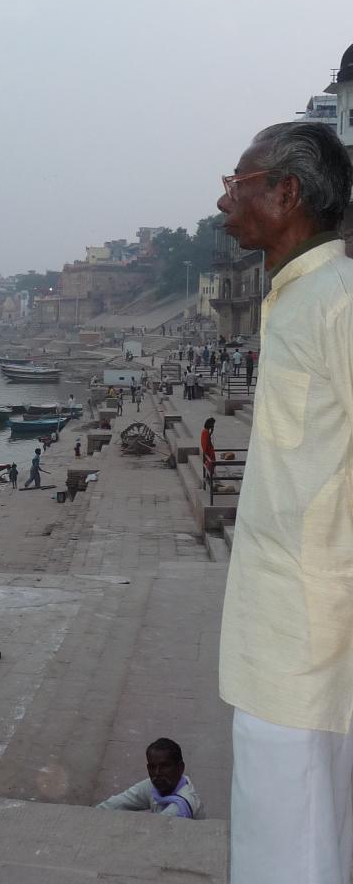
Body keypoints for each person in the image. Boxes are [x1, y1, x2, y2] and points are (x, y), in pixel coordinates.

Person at [216, 122, 353, 883]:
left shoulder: (338, 301)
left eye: (238, 181)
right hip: (278, 628)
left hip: (311, 635)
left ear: (287, 192)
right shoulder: (293, 301)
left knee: (295, 834)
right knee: (285, 829)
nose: (223, 198)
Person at [95, 738, 204, 819]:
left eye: (165, 766)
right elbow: (114, 804)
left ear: (180, 768)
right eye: (152, 767)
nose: (157, 773)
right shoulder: (156, 785)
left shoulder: (180, 807)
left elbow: (156, 832)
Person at [200, 417, 216, 482]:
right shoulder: (205, 432)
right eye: (212, 424)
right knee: (211, 463)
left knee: (212, 463)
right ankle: (208, 477)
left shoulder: (205, 431)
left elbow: (207, 439)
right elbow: (205, 443)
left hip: (209, 450)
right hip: (208, 451)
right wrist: (206, 452)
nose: (213, 425)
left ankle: (209, 476)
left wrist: (211, 432)